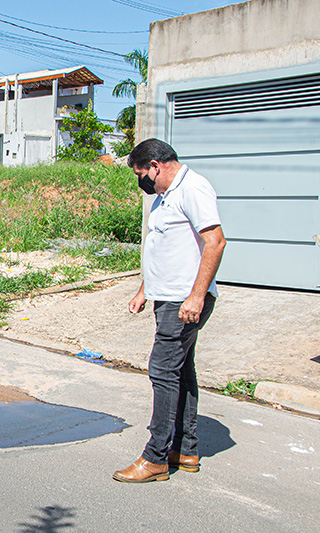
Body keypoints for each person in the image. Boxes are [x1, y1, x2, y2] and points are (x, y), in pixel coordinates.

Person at [113, 138, 226, 483]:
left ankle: (156, 457)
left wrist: (196, 296)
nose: (142, 181)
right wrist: (145, 290)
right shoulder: (167, 196)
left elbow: (216, 242)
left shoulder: (193, 188)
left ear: (156, 166)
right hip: (169, 297)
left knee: (161, 371)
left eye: (141, 173)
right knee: (181, 371)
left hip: (184, 302)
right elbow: (167, 247)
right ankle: (185, 449)